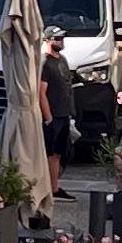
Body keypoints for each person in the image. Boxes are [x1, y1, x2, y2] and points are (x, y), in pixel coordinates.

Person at [40, 31, 77, 196]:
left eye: (62, 38)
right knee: (49, 151)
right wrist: (48, 117)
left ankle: (55, 187)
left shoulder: (62, 60)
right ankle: (48, 187)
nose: (61, 41)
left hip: (64, 113)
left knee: (59, 152)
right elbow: (41, 92)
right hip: (52, 115)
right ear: (47, 40)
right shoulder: (44, 63)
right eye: (57, 38)